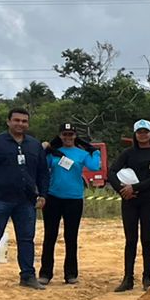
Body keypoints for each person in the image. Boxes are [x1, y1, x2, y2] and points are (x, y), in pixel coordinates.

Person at [0, 107, 48, 289]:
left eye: (24, 121)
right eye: (17, 120)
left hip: (26, 201)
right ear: (8, 122)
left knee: (26, 239)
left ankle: (28, 276)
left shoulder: (34, 145)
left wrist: (43, 194)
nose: (20, 124)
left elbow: (43, 172)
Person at [108, 119, 150, 292]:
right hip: (130, 201)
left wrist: (135, 187)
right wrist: (121, 189)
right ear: (135, 134)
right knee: (130, 240)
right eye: (139, 132)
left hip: (149, 200)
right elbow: (111, 172)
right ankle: (128, 278)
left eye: (145, 132)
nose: (142, 135)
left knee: (147, 239)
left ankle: (147, 277)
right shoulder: (128, 153)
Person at [39, 122, 101, 285]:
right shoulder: (53, 153)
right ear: (60, 135)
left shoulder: (81, 154)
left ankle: (71, 274)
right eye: (64, 134)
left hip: (74, 199)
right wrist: (43, 149)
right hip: (53, 197)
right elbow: (41, 167)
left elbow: (95, 167)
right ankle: (45, 273)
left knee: (71, 237)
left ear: (75, 136)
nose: (67, 137)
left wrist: (95, 152)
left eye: (70, 134)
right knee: (50, 236)